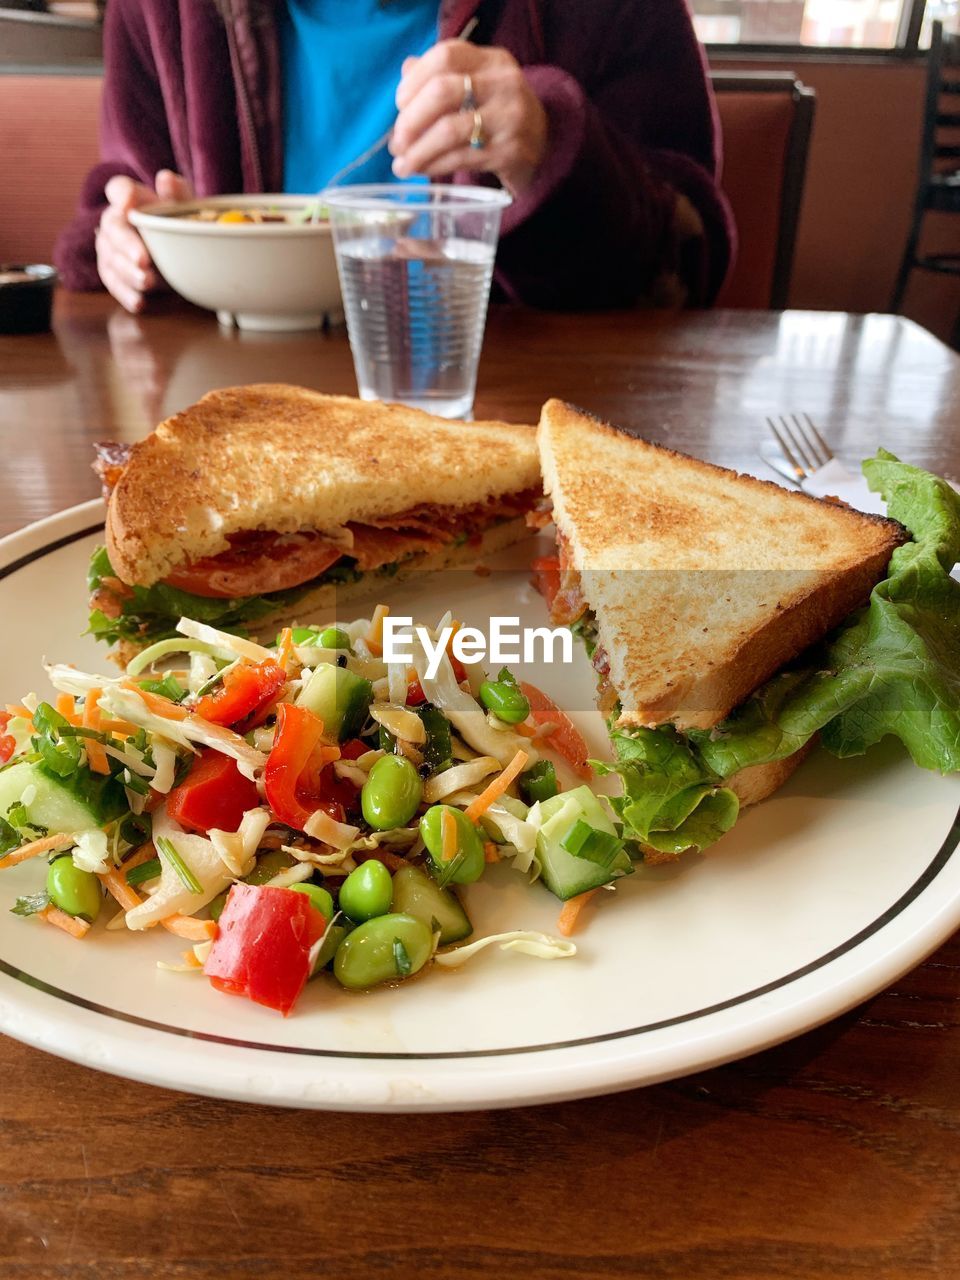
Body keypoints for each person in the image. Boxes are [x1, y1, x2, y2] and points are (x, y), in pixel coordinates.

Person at [54, 0, 735, 313]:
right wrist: (131, 237)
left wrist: (550, 146)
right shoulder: (160, 12)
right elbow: (122, 195)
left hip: (528, 426)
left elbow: (688, 266)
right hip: (226, 423)